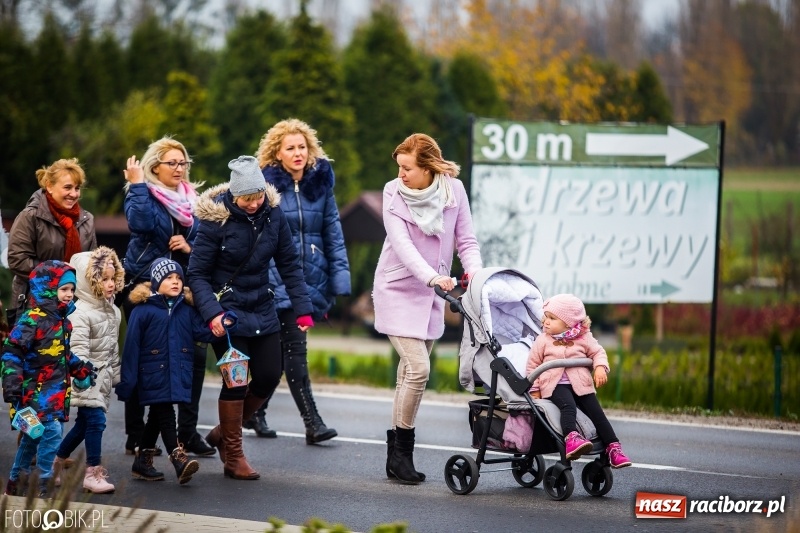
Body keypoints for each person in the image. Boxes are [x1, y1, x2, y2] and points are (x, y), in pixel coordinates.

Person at [188, 155, 314, 480]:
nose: (255, 203)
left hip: (262, 306)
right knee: (237, 380)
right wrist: (212, 313)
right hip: (226, 313)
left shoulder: (274, 215)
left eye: (258, 196)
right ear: (234, 194)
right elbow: (198, 274)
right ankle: (233, 455)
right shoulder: (215, 221)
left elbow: (289, 263)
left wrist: (303, 309)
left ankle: (221, 433)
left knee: (271, 375)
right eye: (247, 198)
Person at [372, 133, 482, 484]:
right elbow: (402, 245)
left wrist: (475, 274)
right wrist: (433, 277)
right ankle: (403, 452)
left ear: (428, 167)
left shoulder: (454, 190)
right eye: (399, 167)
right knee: (419, 368)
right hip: (398, 287)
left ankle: (395, 457)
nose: (401, 174)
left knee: (409, 373)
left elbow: (465, 239)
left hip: (434, 291)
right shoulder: (393, 192)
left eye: (407, 168)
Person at [250, 118, 350, 443]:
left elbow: (333, 233)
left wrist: (340, 280)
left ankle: (254, 412)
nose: (297, 153)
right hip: (275, 281)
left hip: (310, 280)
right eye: (290, 148)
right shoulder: (265, 189)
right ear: (277, 153)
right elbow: (260, 242)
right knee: (295, 352)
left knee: (276, 359)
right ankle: (313, 423)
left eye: (302, 147)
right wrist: (276, 284)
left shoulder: (320, 186)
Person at [121, 136, 214, 457]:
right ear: (154, 166)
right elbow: (140, 223)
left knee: (196, 359)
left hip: (181, 289)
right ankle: (136, 433)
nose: (179, 168)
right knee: (146, 361)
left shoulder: (194, 201)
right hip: (145, 287)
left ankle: (187, 432)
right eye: (171, 163)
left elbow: (205, 243)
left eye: (183, 162)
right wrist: (136, 185)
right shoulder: (142, 193)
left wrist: (189, 249)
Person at [116, 258, 232, 485]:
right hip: (151, 373)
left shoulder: (185, 310)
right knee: (166, 413)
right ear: (156, 281)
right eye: (169, 278)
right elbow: (131, 348)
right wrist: (127, 381)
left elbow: (202, 332)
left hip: (177, 371)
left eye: (179, 277)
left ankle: (142, 462)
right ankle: (178, 458)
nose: (175, 282)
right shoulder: (143, 310)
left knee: (156, 417)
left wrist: (223, 323)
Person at [2, 260, 96, 497]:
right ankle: (43, 481)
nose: (69, 294)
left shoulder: (63, 322)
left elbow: (62, 355)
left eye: (72, 290)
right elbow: (12, 351)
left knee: (35, 436)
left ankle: (17, 479)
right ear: (47, 288)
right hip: (31, 393)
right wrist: (12, 384)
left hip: (54, 393)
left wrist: (80, 369)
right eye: (63, 289)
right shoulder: (31, 320)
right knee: (48, 433)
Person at [525, 293, 632, 468]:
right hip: (554, 385)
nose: (546, 322)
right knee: (568, 406)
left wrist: (599, 367)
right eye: (546, 317)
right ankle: (571, 437)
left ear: (569, 322)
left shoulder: (584, 338)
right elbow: (533, 366)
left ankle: (613, 447)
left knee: (597, 414)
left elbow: (598, 352)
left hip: (581, 385)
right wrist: (535, 389)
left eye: (552, 318)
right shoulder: (543, 340)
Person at [52, 246, 123, 494]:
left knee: (83, 425)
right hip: (86, 377)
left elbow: (113, 347)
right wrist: (82, 376)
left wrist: (116, 374)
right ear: (88, 280)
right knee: (96, 422)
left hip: (102, 379)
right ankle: (93, 473)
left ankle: (55, 463)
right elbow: (78, 350)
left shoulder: (114, 311)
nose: (110, 283)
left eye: (112, 278)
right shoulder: (80, 313)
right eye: (103, 278)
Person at [7, 158, 96, 325]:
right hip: (34, 304)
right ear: (49, 186)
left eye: (77, 188)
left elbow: (91, 263)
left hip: (75, 308)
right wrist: (58, 278)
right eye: (67, 187)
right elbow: (17, 259)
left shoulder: (87, 220)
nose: (74, 194)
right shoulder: (30, 216)